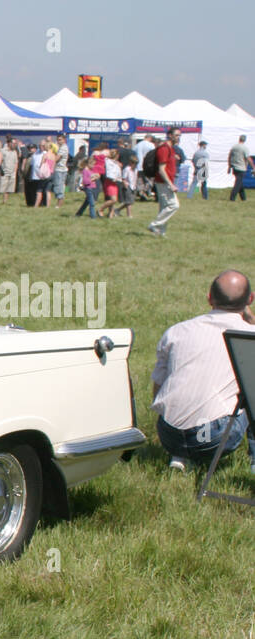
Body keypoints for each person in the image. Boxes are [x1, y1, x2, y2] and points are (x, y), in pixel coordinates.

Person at [151, 271, 255, 470]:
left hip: (169, 434)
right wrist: (249, 316)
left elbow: (158, 385)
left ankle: (180, 455)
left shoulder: (176, 331)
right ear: (250, 299)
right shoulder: (248, 336)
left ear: (209, 297)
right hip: (211, 436)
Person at [148, 127, 181, 237]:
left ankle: (160, 232)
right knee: (174, 205)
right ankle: (154, 225)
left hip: (166, 181)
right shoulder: (164, 148)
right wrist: (170, 184)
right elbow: (161, 169)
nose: (178, 138)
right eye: (176, 135)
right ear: (170, 135)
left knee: (164, 208)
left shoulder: (171, 148)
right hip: (163, 182)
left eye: (179, 135)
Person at [229, 135, 253, 201]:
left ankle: (243, 198)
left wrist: (229, 166)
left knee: (240, 183)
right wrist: (253, 167)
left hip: (234, 167)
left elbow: (230, 156)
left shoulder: (234, 147)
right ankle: (232, 197)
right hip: (241, 167)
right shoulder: (244, 148)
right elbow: (248, 158)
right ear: (244, 140)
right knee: (238, 183)